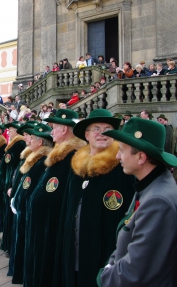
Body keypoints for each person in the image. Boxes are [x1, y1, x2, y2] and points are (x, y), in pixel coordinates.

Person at [60, 109, 135, 287]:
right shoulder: (77, 167)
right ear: (87, 134)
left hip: (107, 256)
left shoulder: (123, 168)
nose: (101, 133)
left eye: (107, 128)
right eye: (96, 128)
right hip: (75, 253)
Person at [98, 118, 177, 286]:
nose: (117, 155)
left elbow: (135, 271)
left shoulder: (158, 201)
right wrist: (110, 266)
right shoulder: (148, 185)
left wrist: (105, 276)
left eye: (121, 150)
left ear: (141, 156)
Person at [24, 109, 86, 287]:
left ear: (64, 130)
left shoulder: (71, 156)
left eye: (54, 128)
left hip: (52, 226)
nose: (51, 132)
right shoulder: (61, 153)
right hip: (44, 225)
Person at [9, 123, 53, 284]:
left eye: (31, 138)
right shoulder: (34, 157)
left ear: (40, 142)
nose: (27, 141)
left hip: (30, 214)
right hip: (23, 212)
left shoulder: (41, 161)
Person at [0, 121, 25, 253]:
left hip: (11, 183)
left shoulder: (19, 144)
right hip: (8, 183)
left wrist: (10, 184)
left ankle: (9, 245)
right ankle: (7, 243)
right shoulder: (13, 144)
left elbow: (14, 166)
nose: (8, 133)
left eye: (11, 130)